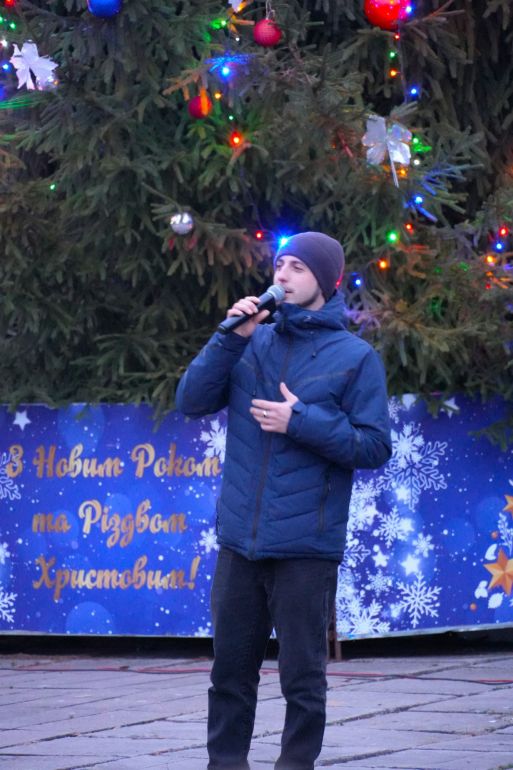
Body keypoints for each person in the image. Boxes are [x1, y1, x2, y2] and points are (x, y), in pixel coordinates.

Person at [175, 231, 392, 770]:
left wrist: (301, 421)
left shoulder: (355, 357)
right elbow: (190, 401)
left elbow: (373, 446)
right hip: (240, 544)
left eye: (297, 267)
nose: (282, 275)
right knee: (229, 674)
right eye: (279, 265)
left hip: (305, 547)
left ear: (326, 280)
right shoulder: (251, 342)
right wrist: (230, 338)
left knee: (302, 678)